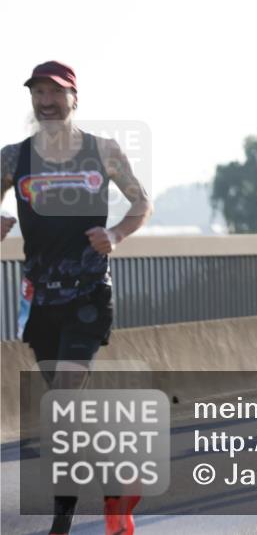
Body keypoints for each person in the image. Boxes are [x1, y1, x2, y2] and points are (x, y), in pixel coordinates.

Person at [0, 61, 153, 535]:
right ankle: (114, 486)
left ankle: (62, 519)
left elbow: (141, 201)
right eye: (38, 93)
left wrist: (116, 234)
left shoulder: (101, 151)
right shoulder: (13, 157)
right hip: (41, 301)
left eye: (55, 93)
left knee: (65, 398)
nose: (46, 102)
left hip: (89, 295)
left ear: (74, 98)